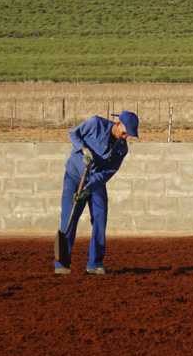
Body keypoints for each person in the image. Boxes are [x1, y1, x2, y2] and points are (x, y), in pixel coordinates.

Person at [54, 110, 139, 275]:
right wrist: (83, 149)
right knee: (68, 219)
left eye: (128, 134)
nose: (125, 136)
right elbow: (73, 134)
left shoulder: (122, 149)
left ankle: (95, 263)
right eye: (124, 132)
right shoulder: (95, 124)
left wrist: (89, 188)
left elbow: (109, 171)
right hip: (74, 177)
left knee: (100, 219)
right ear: (118, 123)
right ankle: (62, 263)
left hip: (96, 183)